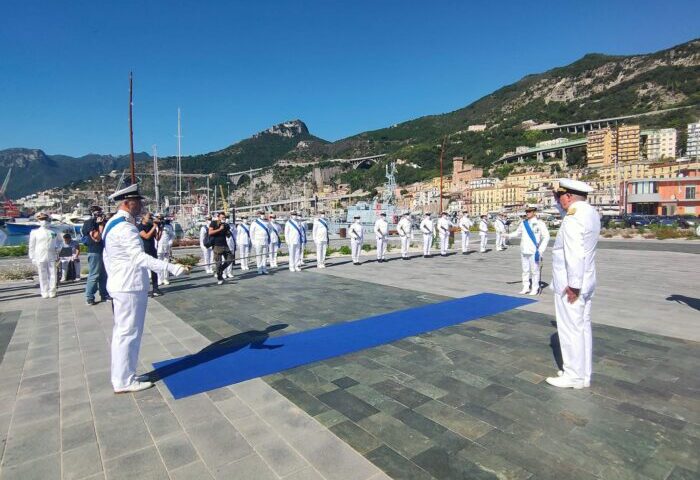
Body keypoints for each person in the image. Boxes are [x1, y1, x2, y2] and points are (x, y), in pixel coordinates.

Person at [102, 184, 186, 393]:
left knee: (124, 332)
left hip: (122, 283)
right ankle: (124, 381)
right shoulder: (124, 227)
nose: (141, 205)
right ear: (126, 202)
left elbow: (108, 257)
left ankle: (125, 374)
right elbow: (139, 258)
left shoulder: (114, 223)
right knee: (128, 333)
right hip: (129, 286)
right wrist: (172, 268)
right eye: (138, 202)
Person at [545, 179, 599, 390]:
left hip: (572, 283)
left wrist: (573, 286)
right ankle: (582, 374)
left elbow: (574, 253)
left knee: (570, 329)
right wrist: (556, 198)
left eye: (560, 197)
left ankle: (573, 375)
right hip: (588, 279)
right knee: (582, 328)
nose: (560, 201)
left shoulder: (573, 219)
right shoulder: (589, 213)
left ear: (568, 196)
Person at [507, 207, 551, 295]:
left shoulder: (539, 223)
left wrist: (541, 250)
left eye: (529, 211)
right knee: (525, 270)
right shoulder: (523, 223)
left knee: (535, 271)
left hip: (534, 251)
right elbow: (517, 233)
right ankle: (526, 287)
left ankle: (535, 288)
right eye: (526, 211)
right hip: (524, 250)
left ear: (534, 212)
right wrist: (507, 235)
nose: (527, 213)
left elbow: (546, 236)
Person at [82, 205, 110, 305]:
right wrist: (100, 226)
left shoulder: (103, 222)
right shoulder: (89, 223)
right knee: (94, 275)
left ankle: (104, 294)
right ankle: (89, 297)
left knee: (103, 275)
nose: (99, 214)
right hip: (94, 250)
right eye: (97, 212)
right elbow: (96, 238)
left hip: (104, 251)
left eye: (100, 212)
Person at [28, 212, 60, 298]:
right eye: (41, 219)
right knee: (42, 274)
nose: (43, 221)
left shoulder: (54, 231)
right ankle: (44, 291)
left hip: (52, 255)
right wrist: (32, 257)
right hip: (39, 255)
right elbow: (31, 246)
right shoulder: (34, 232)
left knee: (53, 274)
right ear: (38, 220)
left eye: (45, 219)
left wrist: (58, 249)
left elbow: (60, 242)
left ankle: (52, 290)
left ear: (48, 219)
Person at [137, 212, 163, 297]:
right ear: (143, 217)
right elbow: (146, 236)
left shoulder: (151, 226)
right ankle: (141, 289)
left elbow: (157, 238)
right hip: (144, 250)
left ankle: (155, 288)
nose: (151, 218)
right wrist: (154, 227)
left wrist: (160, 228)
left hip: (152, 249)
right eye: (149, 217)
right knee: (142, 270)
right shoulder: (139, 227)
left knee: (154, 269)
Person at [209, 211, 234, 285]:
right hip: (217, 246)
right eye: (222, 217)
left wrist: (229, 232)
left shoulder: (226, 225)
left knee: (230, 259)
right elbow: (210, 232)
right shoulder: (213, 223)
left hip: (225, 245)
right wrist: (220, 229)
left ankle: (220, 270)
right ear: (218, 217)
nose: (224, 219)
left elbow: (228, 235)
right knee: (218, 263)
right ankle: (220, 278)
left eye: (224, 217)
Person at [156, 214, 175, 286]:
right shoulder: (155, 227)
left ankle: (166, 279)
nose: (160, 220)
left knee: (166, 263)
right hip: (158, 247)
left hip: (166, 247)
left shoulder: (168, 226)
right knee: (158, 264)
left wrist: (170, 243)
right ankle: (159, 279)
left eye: (161, 218)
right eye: (158, 218)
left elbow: (172, 235)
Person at [250, 211, 270, 275]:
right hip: (258, 241)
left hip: (265, 241)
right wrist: (253, 242)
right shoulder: (255, 222)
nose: (263, 215)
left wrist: (268, 239)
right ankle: (259, 268)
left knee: (264, 256)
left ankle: (264, 268)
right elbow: (251, 233)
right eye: (261, 214)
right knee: (259, 256)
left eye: (263, 214)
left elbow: (270, 230)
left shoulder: (267, 222)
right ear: (259, 215)